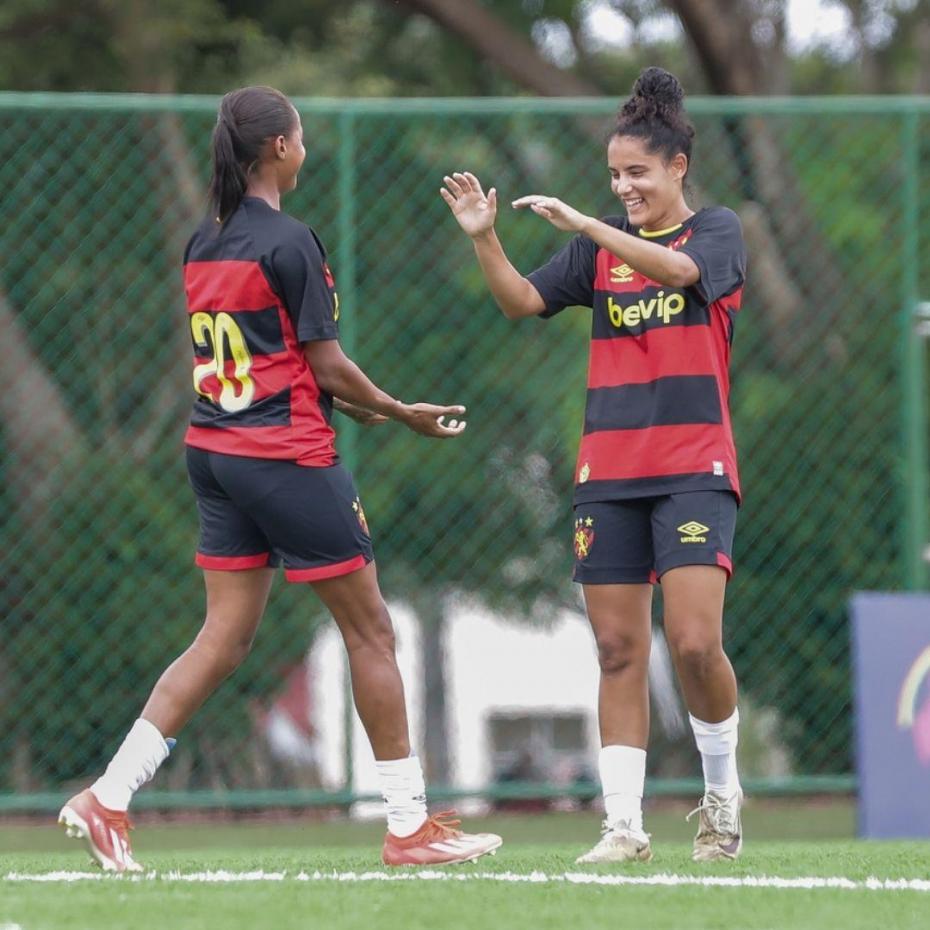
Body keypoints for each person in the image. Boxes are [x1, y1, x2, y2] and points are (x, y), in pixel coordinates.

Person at [59, 85, 501, 872]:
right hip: (285, 456)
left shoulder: (205, 238)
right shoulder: (291, 240)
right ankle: (408, 826)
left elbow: (275, 357)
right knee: (372, 631)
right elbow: (325, 364)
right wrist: (400, 410)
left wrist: (343, 400)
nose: (306, 145)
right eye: (299, 135)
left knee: (221, 639)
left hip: (217, 452)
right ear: (280, 150)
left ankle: (110, 797)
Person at [441, 67, 746, 864]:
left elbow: (679, 274)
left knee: (693, 644)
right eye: (615, 176)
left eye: (637, 174)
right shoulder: (595, 254)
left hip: (692, 467)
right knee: (618, 651)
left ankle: (721, 797)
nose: (625, 187)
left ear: (679, 166)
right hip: (607, 473)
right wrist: (486, 237)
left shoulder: (715, 232)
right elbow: (519, 303)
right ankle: (624, 826)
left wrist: (589, 221)